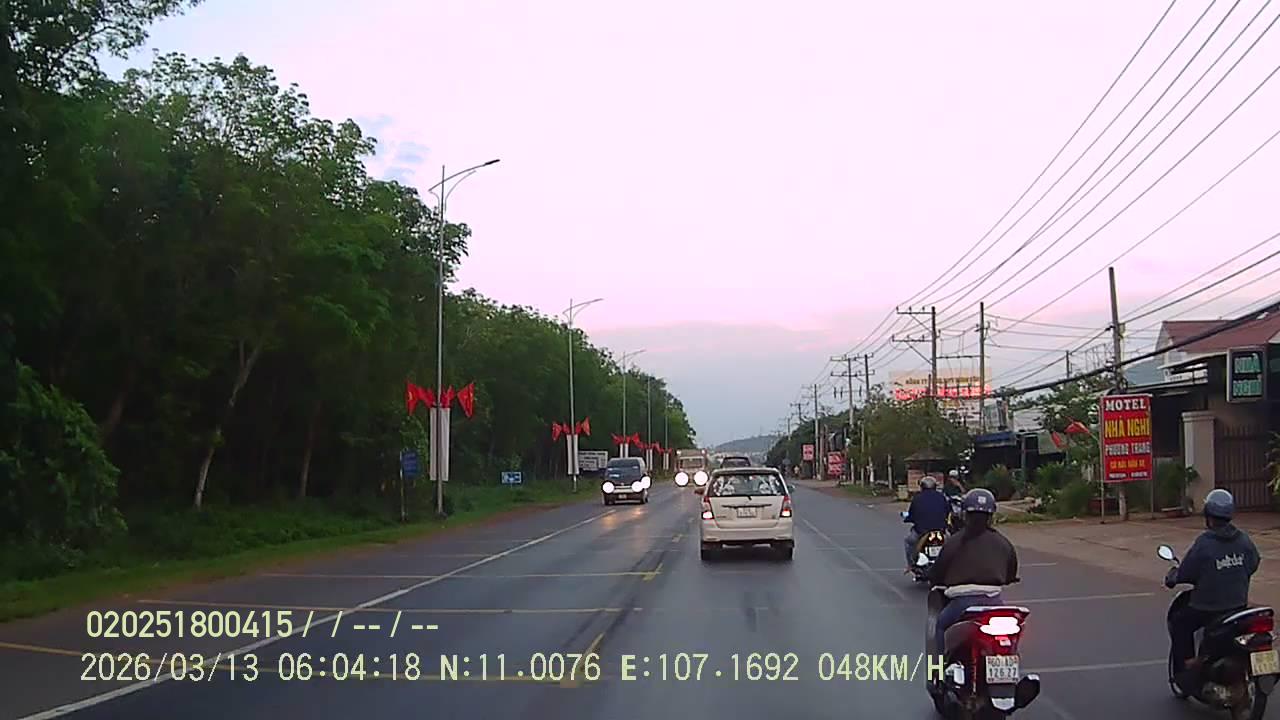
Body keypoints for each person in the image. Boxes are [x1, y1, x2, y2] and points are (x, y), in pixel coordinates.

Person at [1166, 488, 1260, 693]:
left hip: (1208, 609)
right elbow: (1253, 563)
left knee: (1180, 622)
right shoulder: (1243, 540)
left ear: (1208, 515)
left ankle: (1188, 665)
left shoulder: (1205, 543)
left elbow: (1187, 571)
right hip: (1238, 607)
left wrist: (1173, 576)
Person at [929, 488, 1019, 654]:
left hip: (961, 603)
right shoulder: (1003, 543)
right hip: (993, 601)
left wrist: (935, 579)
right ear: (991, 516)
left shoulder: (954, 542)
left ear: (965, 515)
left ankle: (937, 667)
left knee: (940, 626)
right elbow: (1011, 571)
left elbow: (938, 571)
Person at [903, 475, 949, 571]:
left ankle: (911, 565)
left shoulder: (917, 498)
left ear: (922, 486)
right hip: (941, 530)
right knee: (952, 543)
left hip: (922, 531)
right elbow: (948, 511)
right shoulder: (942, 497)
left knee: (909, 542)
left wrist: (908, 519)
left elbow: (912, 514)